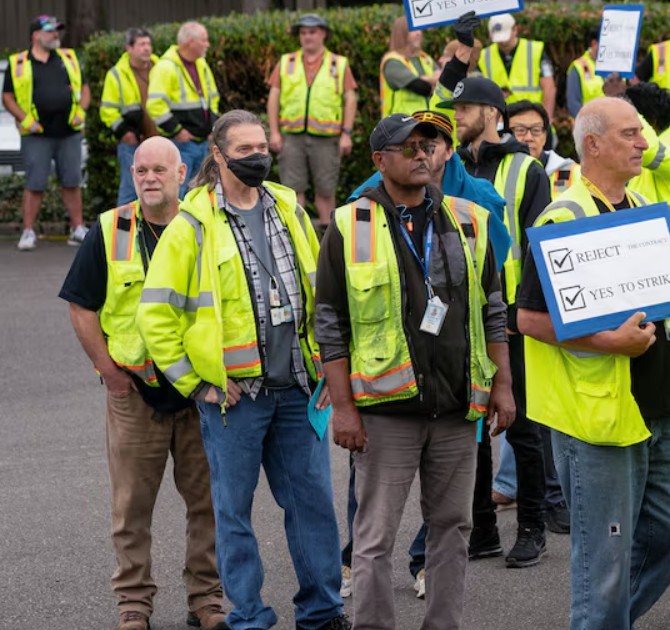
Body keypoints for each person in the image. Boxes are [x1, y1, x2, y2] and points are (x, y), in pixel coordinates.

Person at [137, 110, 348, 630]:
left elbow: (319, 288)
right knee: (233, 515)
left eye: (262, 147)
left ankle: (322, 611)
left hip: (298, 387)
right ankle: (249, 617)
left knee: (313, 506)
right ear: (218, 154)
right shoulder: (192, 224)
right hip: (235, 399)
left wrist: (327, 364)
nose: (259, 156)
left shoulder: (288, 206)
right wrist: (196, 382)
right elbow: (156, 314)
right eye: (247, 149)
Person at [316, 113, 514, 630]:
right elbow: (330, 323)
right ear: (380, 161)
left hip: (454, 408)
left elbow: (493, 307)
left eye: (431, 144)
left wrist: (503, 385)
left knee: (453, 529)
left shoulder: (470, 219)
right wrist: (343, 408)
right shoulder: (348, 224)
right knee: (375, 536)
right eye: (409, 146)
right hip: (385, 411)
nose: (423, 153)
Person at [516, 97, 670, 630]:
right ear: (593, 144)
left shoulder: (639, 205)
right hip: (598, 421)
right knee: (603, 565)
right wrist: (609, 343)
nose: (644, 143)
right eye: (631, 134)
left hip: (658, 409)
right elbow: (527, 318)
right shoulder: (564, 215)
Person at [61, 137, 227, 630]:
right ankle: (133, 603)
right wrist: (108, 371)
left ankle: (207, 599)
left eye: (160, 169)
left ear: (183, 173)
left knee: (209, 504)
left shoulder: (205, 228)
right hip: (134, 393)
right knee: (131, 508)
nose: (149, 178)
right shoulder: (111, 230)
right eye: (140, 170)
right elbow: (80, 306)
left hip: (200, 393)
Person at [438, 77, 554, 569]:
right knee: (475, 423)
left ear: (491, 112)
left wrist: (515, 311)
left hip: (508, 315)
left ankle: (532, 526)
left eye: (464, 108)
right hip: (462, 316)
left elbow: (537, 247)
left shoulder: (527, 169)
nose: (456, 115)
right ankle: (482, 527)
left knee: (522, 424)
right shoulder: (449, 165)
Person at [3, 15, 90, 251]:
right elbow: (8, 97)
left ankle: (77, 229)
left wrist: (81, 111)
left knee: (72, 181)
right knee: (35, 183)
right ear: (36, 35)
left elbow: (84, 88)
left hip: (68, 132)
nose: (55, 35)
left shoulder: (69, 58)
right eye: (50, 31)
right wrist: (24, 119)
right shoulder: (19, 62)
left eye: (57, 31)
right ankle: (28, 232)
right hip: (36, 134)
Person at [266, 14, 357, 228]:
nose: (307, 37)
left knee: (326, 190)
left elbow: (350, 98)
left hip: (327, 138)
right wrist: (274, 133)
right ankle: (298, 235)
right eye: (303, 32)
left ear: (323, 34)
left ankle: (329, 239)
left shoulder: (339, 63)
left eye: (312, 32)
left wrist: (347, 133)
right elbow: (274, 96)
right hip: (291, 136)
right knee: (292, 190)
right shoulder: (286, 61)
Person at [625, 82, 670, 273]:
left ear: (652, 121)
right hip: (645, 256)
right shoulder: (634, 153)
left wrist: (628, 110)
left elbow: (650, 150)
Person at [146, 21, 219, 198]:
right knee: (176, 192)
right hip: (181, 143)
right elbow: (155, 105)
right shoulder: (166, 67)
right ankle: (173, 225)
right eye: (204, 40)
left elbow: (212, 98)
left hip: (202, 141)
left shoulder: (201, 63)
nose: (207, 44)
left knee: (200, 192)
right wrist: (177, 131)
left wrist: (213, 126)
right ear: (189, 42)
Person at [100, 28, 159, 207]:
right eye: (141, 44)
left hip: (161, 140)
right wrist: (125, 133)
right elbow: (107, 110)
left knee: (163, 191)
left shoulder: (161, 67)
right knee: (130, 190)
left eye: (148, 44)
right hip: (132, 143)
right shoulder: (116, 74)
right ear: (129, 48)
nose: (147, 48)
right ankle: (122, 233)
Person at [480, 13, 556, 119]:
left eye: (505, 37)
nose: (502, 42)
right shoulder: (483, 56)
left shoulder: (535, 50)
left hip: (531, 118)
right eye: (498, 38)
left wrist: (546, 120)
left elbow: (549, 87)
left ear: (515, 29)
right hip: (499, 121)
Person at [509, 100, 578, 199]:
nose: (529, 138)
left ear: (545, 136)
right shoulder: (495, 171)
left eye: (536, 130)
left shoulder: (572, 173)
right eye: (520, 130)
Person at [380, 17, 440, 117]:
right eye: (413, 30)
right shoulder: (392, 62)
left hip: (427, 123)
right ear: (401, 34)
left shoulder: (425, 58)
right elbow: (422, 87)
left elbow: (443, 84)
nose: (419, 33)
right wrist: (433, 80)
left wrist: (424, 79)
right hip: (400, 125)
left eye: (419, 29)